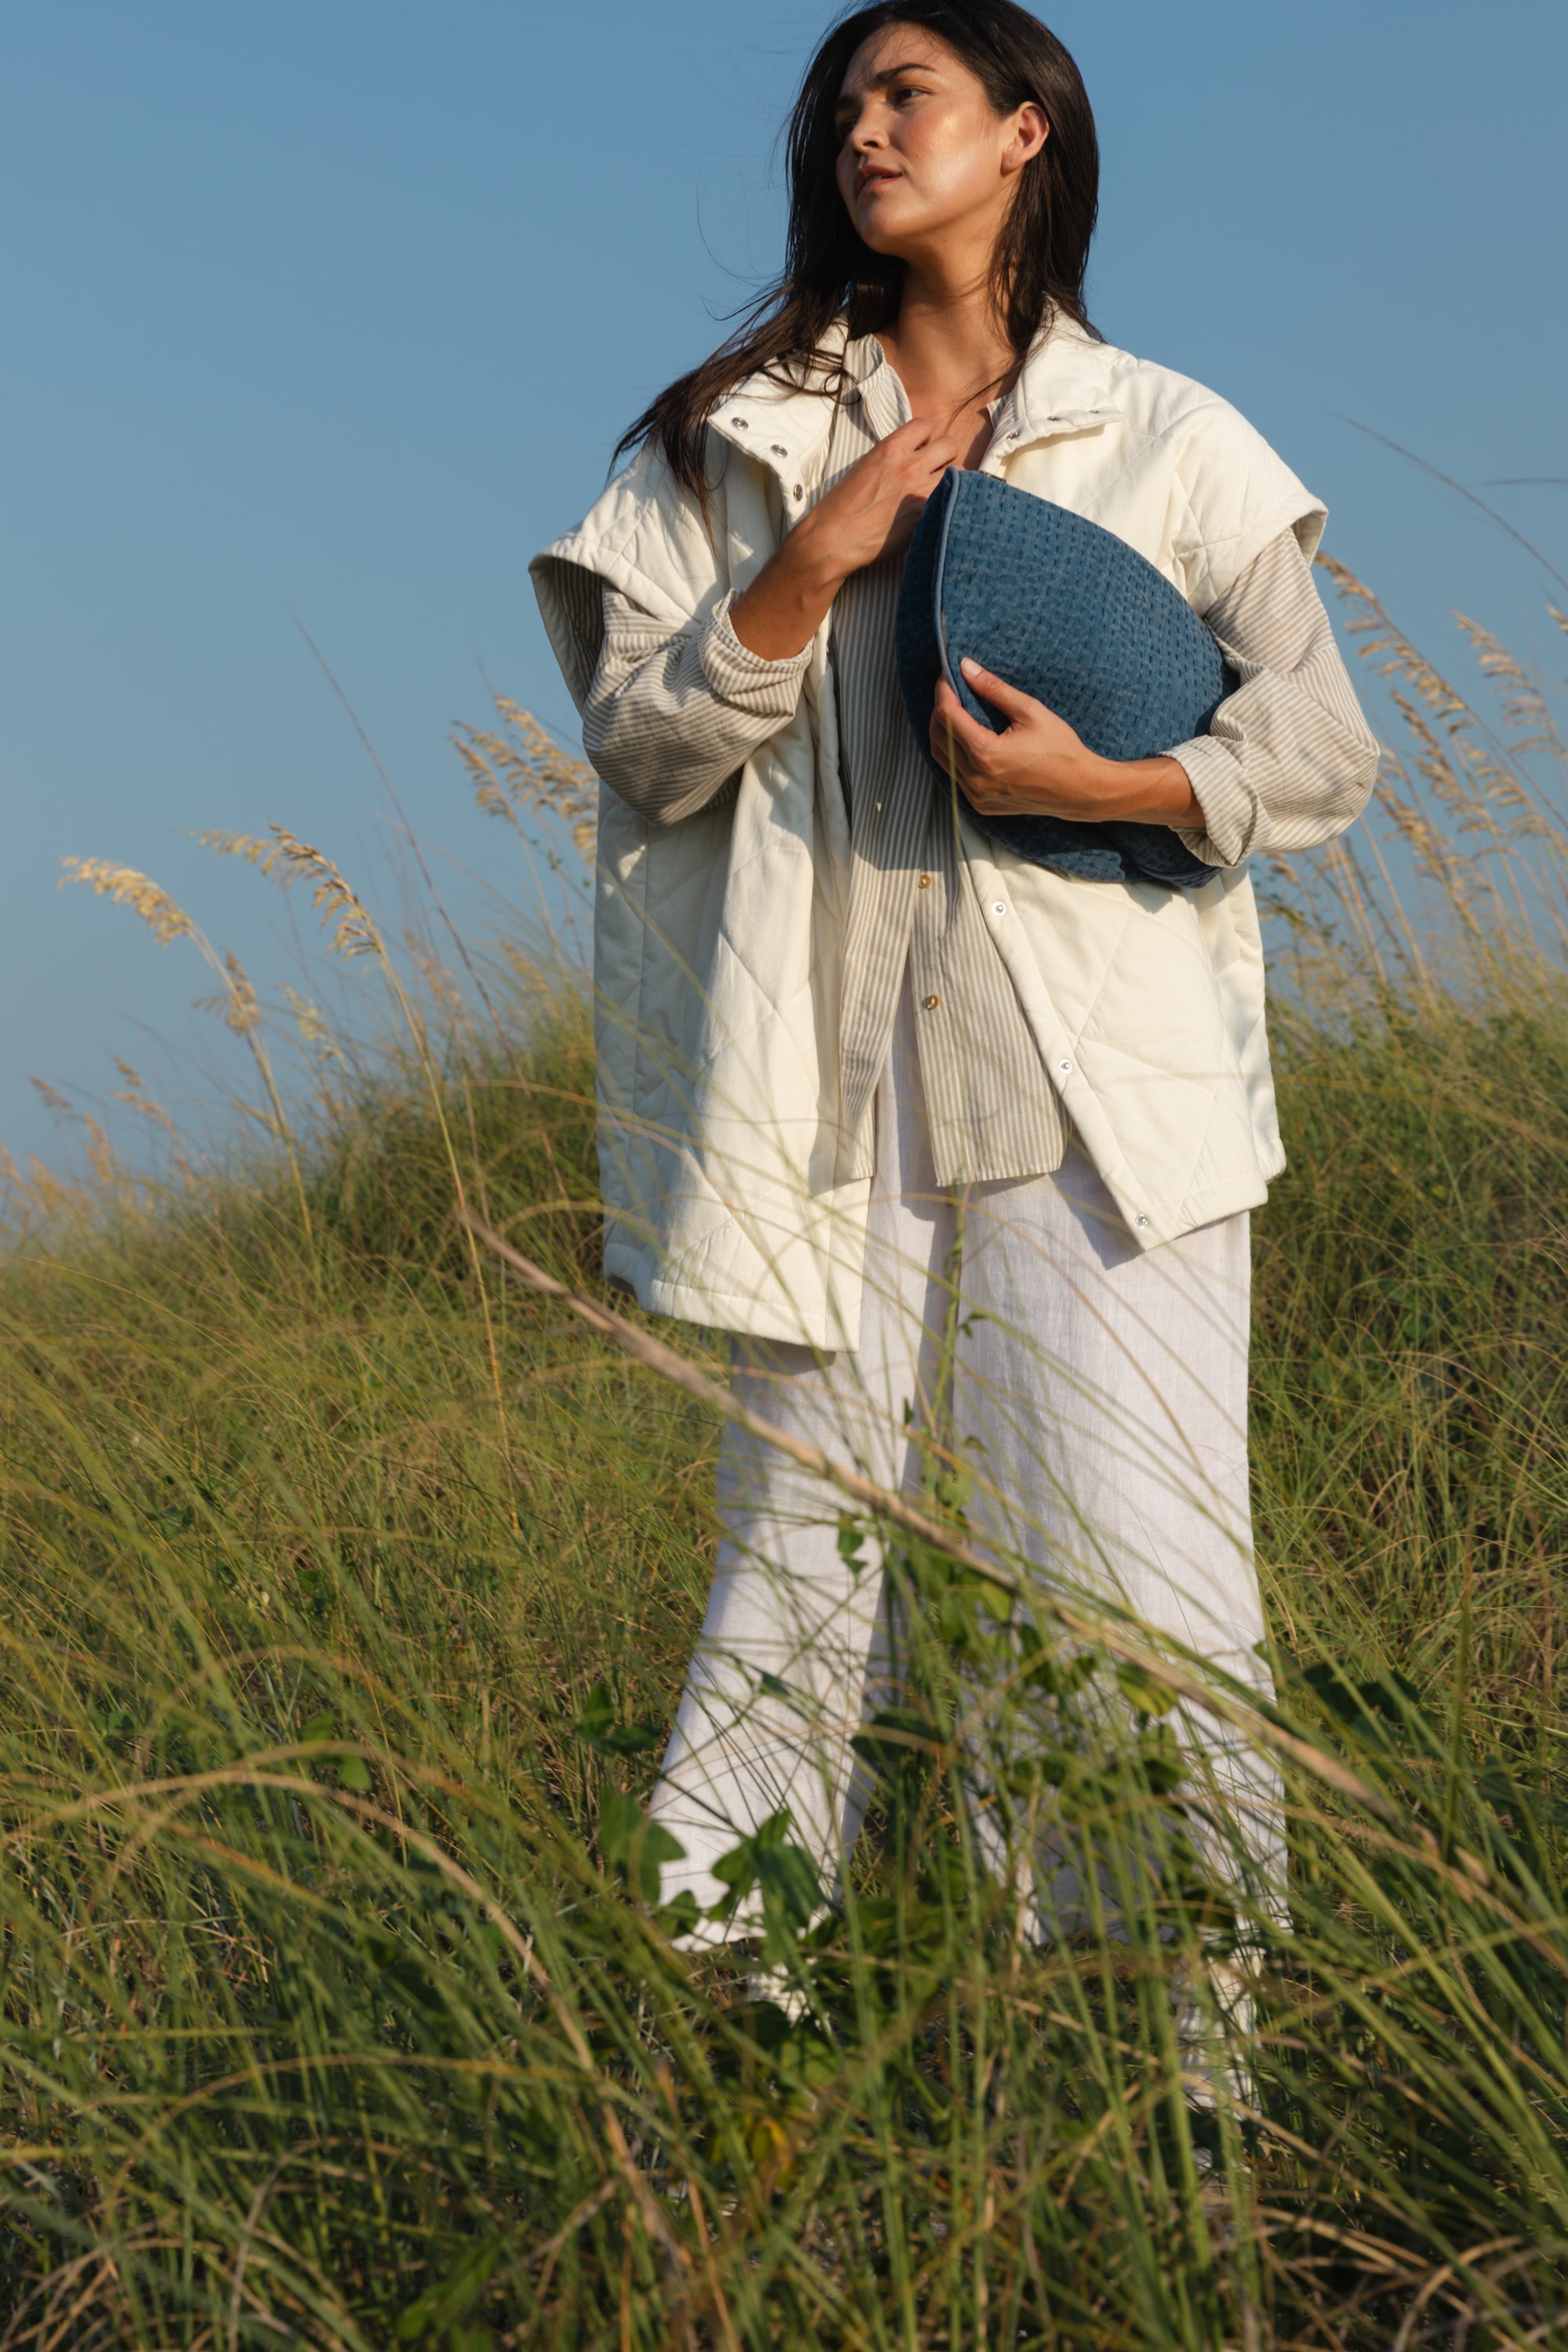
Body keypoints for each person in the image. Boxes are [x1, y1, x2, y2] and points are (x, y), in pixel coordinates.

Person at [531, 0, 1378, 1945]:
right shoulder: (725, 446)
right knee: (796, 1571)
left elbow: (1322, 744)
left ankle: (1161, 2072)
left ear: (1023, 133)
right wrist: (801, 573)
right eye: (841, 103)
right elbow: (645, 754)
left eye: (903, 92)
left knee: (1139, 1566)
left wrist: (1122, 779)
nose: (858, 126)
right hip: (819, 1098)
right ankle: (734, 2045)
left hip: (1103, 1100)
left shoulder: (1168, 433)